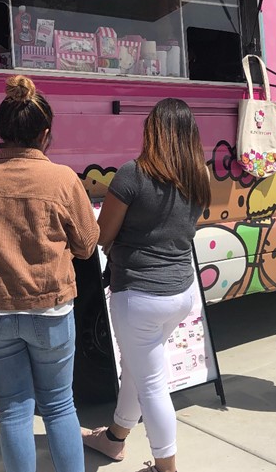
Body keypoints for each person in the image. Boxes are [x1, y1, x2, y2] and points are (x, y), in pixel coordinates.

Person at [0, 75, 99, 472]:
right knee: (59, 404)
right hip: (50, 311)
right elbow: (86, 244)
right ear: (44, 133)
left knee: (14, 407)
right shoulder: (63, 179)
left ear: (2, 132)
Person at [81, 98, 211, 472]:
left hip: (139, 294)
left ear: (151, 130)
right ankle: (114, 438)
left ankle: (165, 468)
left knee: (152, 383)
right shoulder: (199, 175)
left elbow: (102, 236)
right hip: (181, 292)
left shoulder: (131, 175)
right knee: (140, 370)